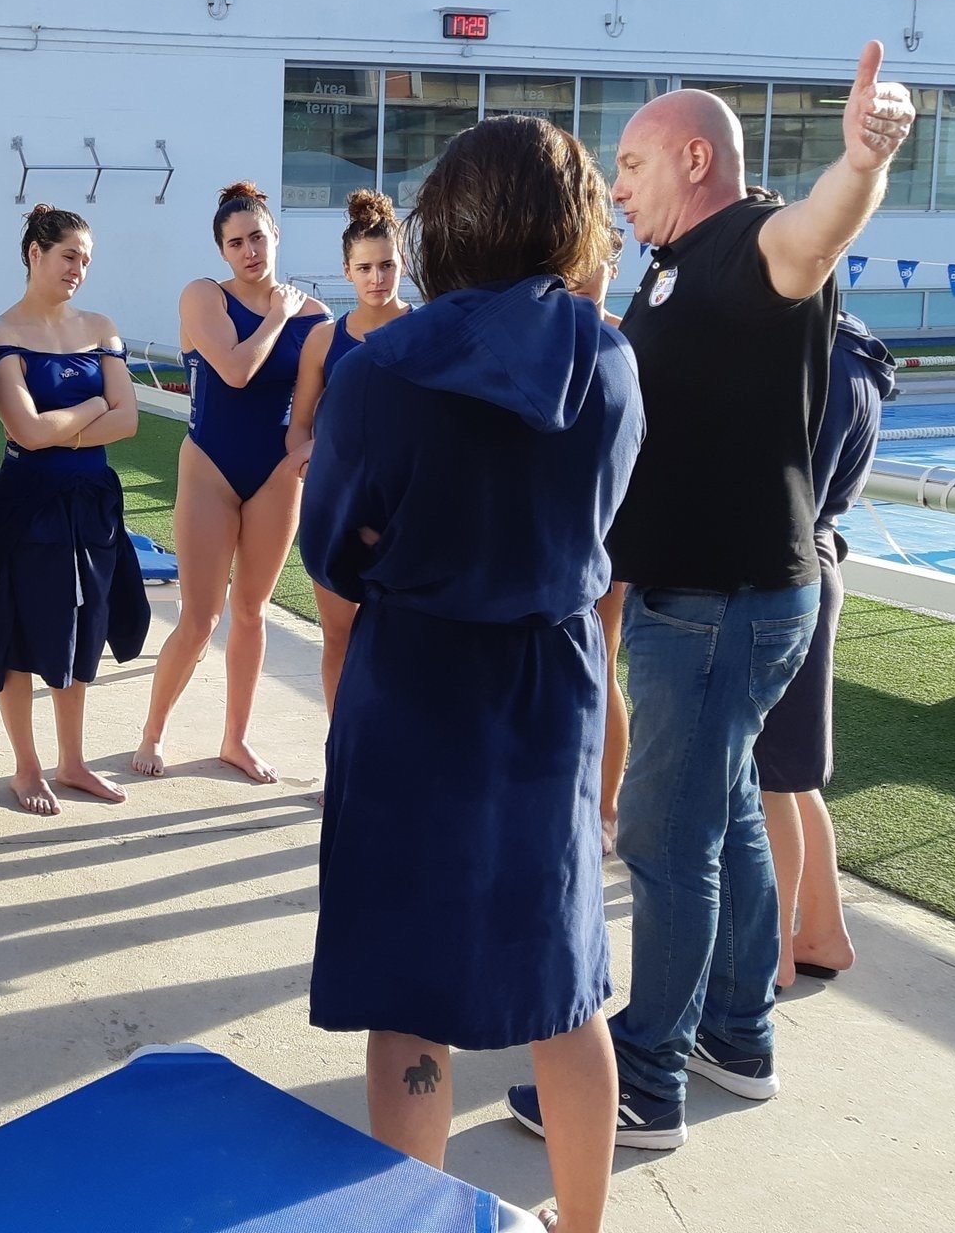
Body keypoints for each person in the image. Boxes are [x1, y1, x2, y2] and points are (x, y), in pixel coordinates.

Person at [508, 43, 916, 1151]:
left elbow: (813, 236)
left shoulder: (744, 241)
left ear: (694, 158)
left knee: (665, 836)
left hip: (718, 606)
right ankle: (736, 1036)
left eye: (631, 164)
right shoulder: (669, 259)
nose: (617, 184)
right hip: (712, 601)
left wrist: (862, 163)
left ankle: (643, 1080)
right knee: (724, 813)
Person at [304, 116, 641, 1233]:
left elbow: (331, 545)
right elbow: (603, 528)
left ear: (443, 221)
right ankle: (582, 1223)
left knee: (408, 995)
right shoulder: (606, 359)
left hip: (412, 690)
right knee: (564, 981)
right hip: (547, 688)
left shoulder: (379, 370)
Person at [132, 181, 329, 783]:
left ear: (275, 236)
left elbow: (323, 397)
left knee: (251, 611)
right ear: (222, 251)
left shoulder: (317, 315)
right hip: (210, 466)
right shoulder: (203, 296)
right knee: (199, 617)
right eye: (236, 242)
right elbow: (238, 372)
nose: (250, 251)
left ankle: (235, 740)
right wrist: (276, 314)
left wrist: (317, 444)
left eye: (258, 238)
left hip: (275, 473)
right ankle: (152, 731)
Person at [0, 205, 149, 815]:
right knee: (19, 634)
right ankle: (27, 768)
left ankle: (72, 763)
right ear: (35, 254)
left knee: (82, 631)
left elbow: (129, 421)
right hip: (26, 507)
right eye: (68, 255)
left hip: (91, 504)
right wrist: (94, 404)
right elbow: (24, 428)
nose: (78, 269)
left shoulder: (100, 326)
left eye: (86, 260)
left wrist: (62, 428)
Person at [760, 310, 895, 988]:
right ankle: (822, 933)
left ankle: (773, 953)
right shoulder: (854, 348)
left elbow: (782, 484)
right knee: (792, 773)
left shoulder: (821, 357)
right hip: (819, 554)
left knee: (768, 780)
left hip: (788, 567)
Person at [285, 188, 411, 714]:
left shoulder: (426, 332)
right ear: (346, 271)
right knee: (338, 639)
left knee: (400, 648)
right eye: (365, 268)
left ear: (402, 264)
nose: (377, 279)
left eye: (386, 266)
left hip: (405, 511)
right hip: (336, 508)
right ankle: (340, 763)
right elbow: (298, 429)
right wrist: (314, 464)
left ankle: (395, 768)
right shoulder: (323, 339)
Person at [572, 227, 630, 854]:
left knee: (602, 663)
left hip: (611, 529)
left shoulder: (627, 338)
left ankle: (606, 806)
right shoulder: (551, 335)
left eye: (596, 266)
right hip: (560, 524)